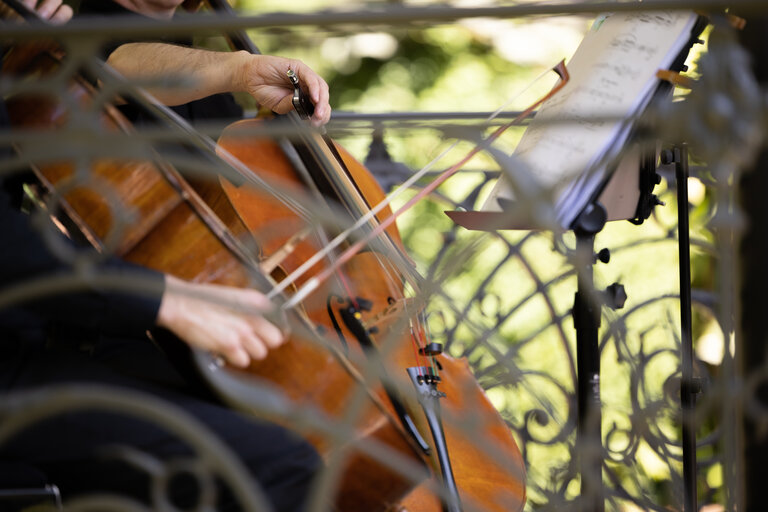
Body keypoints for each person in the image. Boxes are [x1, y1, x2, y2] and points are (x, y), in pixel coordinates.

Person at [0, 0, 331, 510]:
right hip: (97, 336)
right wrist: (169, 299)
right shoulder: (68, 49)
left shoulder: (45, 51)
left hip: (119, 329)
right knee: (281, 460)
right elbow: (109, 64)